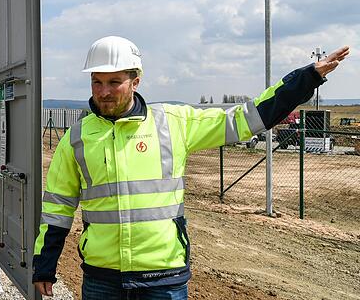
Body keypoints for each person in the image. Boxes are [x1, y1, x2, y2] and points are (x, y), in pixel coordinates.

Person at [32, 36, 350, 299]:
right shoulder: (75, 139)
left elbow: (245, 119)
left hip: (164, 279)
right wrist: (44, 266)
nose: (103, 91)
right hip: (103, 280)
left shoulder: (173, 123)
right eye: (96, 82)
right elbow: (57, 210)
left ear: (135, 81)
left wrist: (305, 79)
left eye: (114, 82)